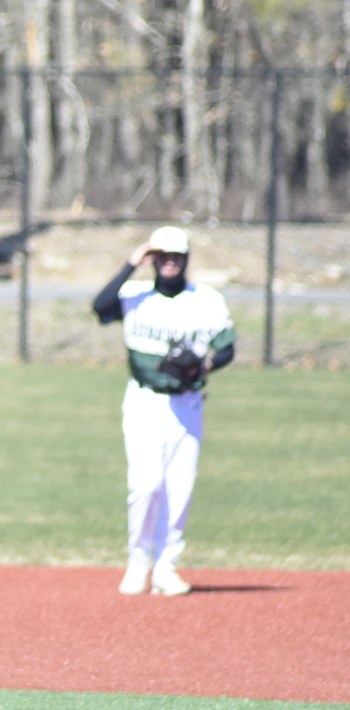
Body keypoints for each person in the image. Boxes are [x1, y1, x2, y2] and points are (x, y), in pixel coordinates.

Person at [92, 226, 236, 596]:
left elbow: (226, 349)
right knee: (145, 485)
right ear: (152, 259)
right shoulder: (134, 295)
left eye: (176, 256)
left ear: (186, 259)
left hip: (187, 404)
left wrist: (203, 366)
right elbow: (100, 306)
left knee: (179, 489)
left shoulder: (205, 300)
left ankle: (166, 567)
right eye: (162, 256)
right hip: (143, 402)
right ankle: (138, 560)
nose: (170, 262)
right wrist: (131, 263)